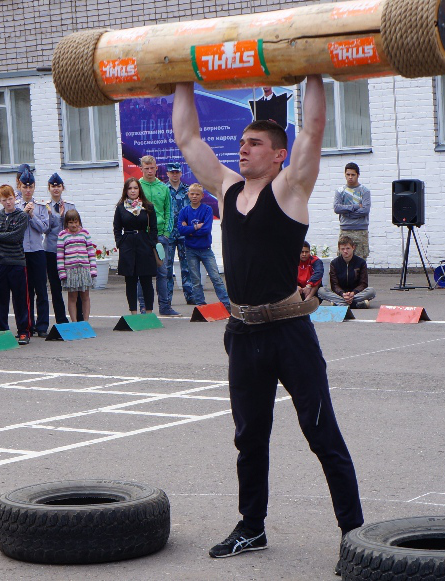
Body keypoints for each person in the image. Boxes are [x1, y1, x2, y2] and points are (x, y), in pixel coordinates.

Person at [173, 77, 364, 567]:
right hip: (242, 333)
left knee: (321, 434)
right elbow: (188, 138)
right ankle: (251, 527)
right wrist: (181, 80)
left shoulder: (290, 188)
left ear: (279, 154)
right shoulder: (226, 187)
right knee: (249, 438)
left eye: (255, 143)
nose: (243, 148)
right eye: (242, 142)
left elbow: (313, 129)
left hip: (288, 333)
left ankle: (354, 536)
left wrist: (314, 73)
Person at [177, 183, 231, 312]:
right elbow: (180, 230)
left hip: (206, 249)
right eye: (192, 194)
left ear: (202, 196)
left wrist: (189, 230)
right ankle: (201, 304)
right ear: (188, 195)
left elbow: (206, 229)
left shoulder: (207, 210)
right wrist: (196, 227)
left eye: (197, 194)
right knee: (195, 279)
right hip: (190, 250)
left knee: (215, 277)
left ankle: (226, 303)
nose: (194, 196)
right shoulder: (184, 211)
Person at [0, 184, 30, 344]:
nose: (8, 202)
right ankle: (2, 332)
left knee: (20, 300)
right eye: (4, 200)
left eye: (10, 198)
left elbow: (15, 237)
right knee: (0, 300)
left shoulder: (22, 216)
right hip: (0, 263)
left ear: (15, 198)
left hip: (17, 263)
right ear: (0, 200)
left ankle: (23, 332)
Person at [138, 155, 179, 316]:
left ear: (156, 168)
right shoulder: (136, 187)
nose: (149, 171)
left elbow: (169, 211)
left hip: (161, 236)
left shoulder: (163, 188)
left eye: (152, 168)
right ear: (141, 169)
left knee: (163, 272)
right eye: (146, 168)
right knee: (142, 273)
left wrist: (167, 233)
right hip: (143, 236)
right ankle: (143, 307)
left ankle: (165, 306)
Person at [113, 178, 157, 314]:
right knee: (130, 282)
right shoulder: (121, 208)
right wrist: (120, 242)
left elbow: (154, 228)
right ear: (126, 190)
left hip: (144, 245)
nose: (133, 191)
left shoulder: (148, 207)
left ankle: (149, 312)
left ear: (139, 190)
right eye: (130, 188)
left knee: (146, 281)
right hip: (127, 246)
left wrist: (151, 243)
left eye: (135, 188)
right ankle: (133, 313)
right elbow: (117, 228)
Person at [44, 173, 82, 324]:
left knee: (75, 284)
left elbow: (78, 227)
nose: (56, 189)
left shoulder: (70, 206)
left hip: (70, 251)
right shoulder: (44, 207)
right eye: (53, 186)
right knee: (55, 286)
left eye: (58, 186)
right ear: (49, 188)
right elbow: (45, 230)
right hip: (52, 250)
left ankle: (78, 317)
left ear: (62, 188)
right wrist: (54, 217)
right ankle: (61, 318)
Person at [17, 169, 50, 337]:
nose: (28, 190)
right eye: (25, 187)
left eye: (30, 187)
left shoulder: (41, 206)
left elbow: (44, 228)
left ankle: (42, 325)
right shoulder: (15, 206)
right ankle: (28, 325)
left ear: (34, 187)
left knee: (41, 290)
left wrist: (32, 215)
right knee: (25, 291)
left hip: (37, 251)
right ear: (20, 187)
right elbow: (14, 228)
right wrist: (24, 214)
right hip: (22, 252)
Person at [57, 209, 97, 321]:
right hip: (70, 271)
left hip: (84, 270)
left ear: (79, 222)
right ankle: (74, 322)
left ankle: (86, 321)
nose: (74, 225)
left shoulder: (85, 233)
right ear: (66, 223)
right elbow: (60, 256)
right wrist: (62, 272)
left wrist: (93, 269)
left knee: (85, 296)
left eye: (76, 222)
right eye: (71, 222)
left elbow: (91, 252)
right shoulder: (62, 235)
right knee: (72, 297)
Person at [166, 162, 195, 305]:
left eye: (177, 172)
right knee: (167, 267)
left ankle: (190, 296)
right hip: (169, 233)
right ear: (168, 174)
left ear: (181, 173)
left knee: (187, 266)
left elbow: (193, 209)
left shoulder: (188, 190)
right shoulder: (164, 190)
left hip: (185, 234)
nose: (175, 175)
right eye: (172, 172)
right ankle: (166, 298)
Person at [318, 237, 375, 308]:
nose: (345, 251)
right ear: (339, 249)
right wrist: (342, 294)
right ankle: (355, 304)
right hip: (340, 294)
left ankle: (340, 303)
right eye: (342, 249)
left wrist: (353, 293)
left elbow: (363, 284)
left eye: (348, 248)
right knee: (321, 290)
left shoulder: (361, 262)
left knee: (371, 291)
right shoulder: (334, 263)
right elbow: (334, 284)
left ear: (353, 248)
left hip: (356, 293)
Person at [333, 163, 371, 259]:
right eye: (348, 174)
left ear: (358, 175)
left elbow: (365, 210)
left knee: (360, 260)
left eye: (353, 175)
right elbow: (337, 208)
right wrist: (355, 206)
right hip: (345, 230)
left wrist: (347, 213)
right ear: (345, 175)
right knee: (343, 260)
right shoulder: (340, 191)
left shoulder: (365, 191)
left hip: (361, 230)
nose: (350, 177)